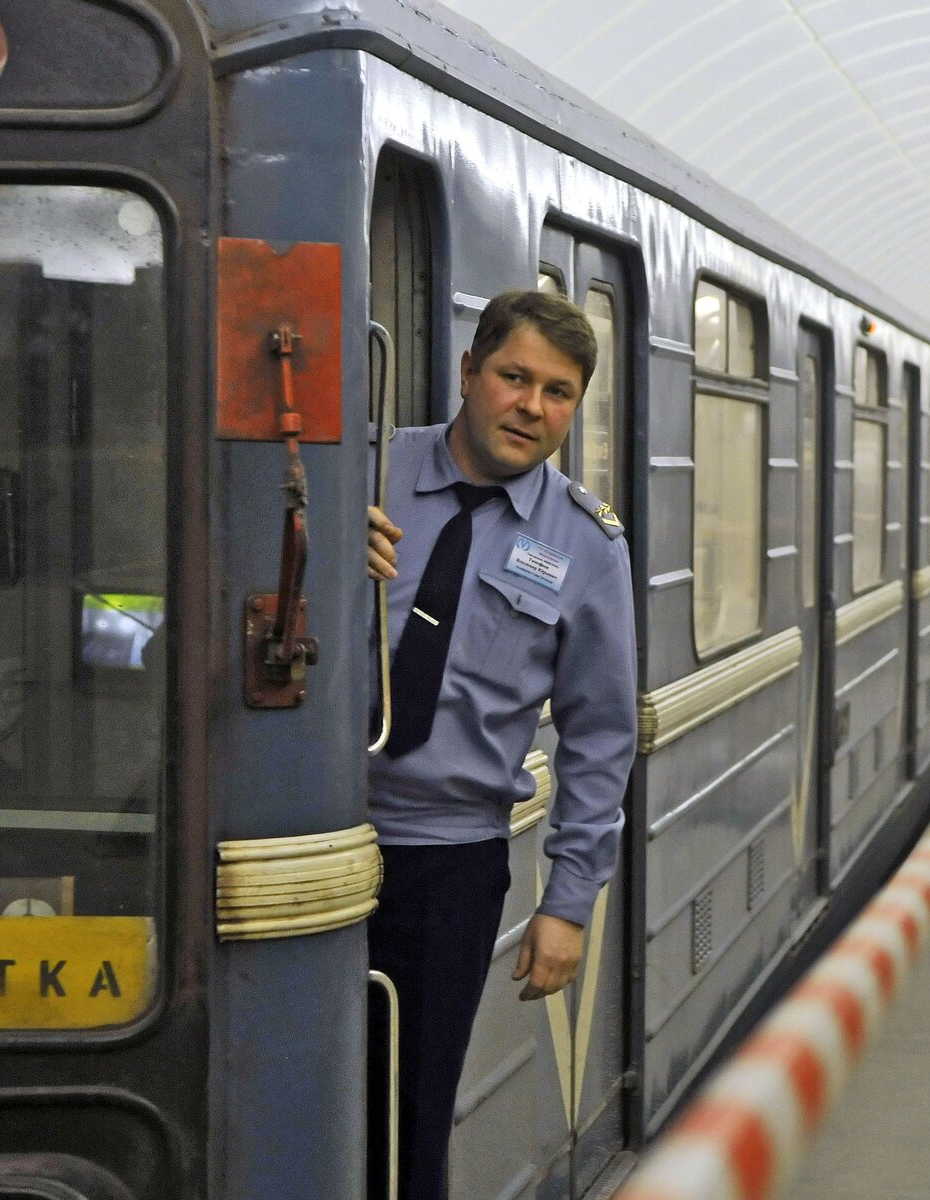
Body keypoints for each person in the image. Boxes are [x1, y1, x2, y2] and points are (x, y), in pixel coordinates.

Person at [365, 289, 637, 1200]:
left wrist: (567, 904)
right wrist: (318, 548)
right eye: (515, 378)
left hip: (445, 866)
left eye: (559, 392)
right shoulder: (357, 469)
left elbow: (601, 737)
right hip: (303, 836)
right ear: (469, 373)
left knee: (409, 1125)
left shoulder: (588, 546)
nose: (532, 406)